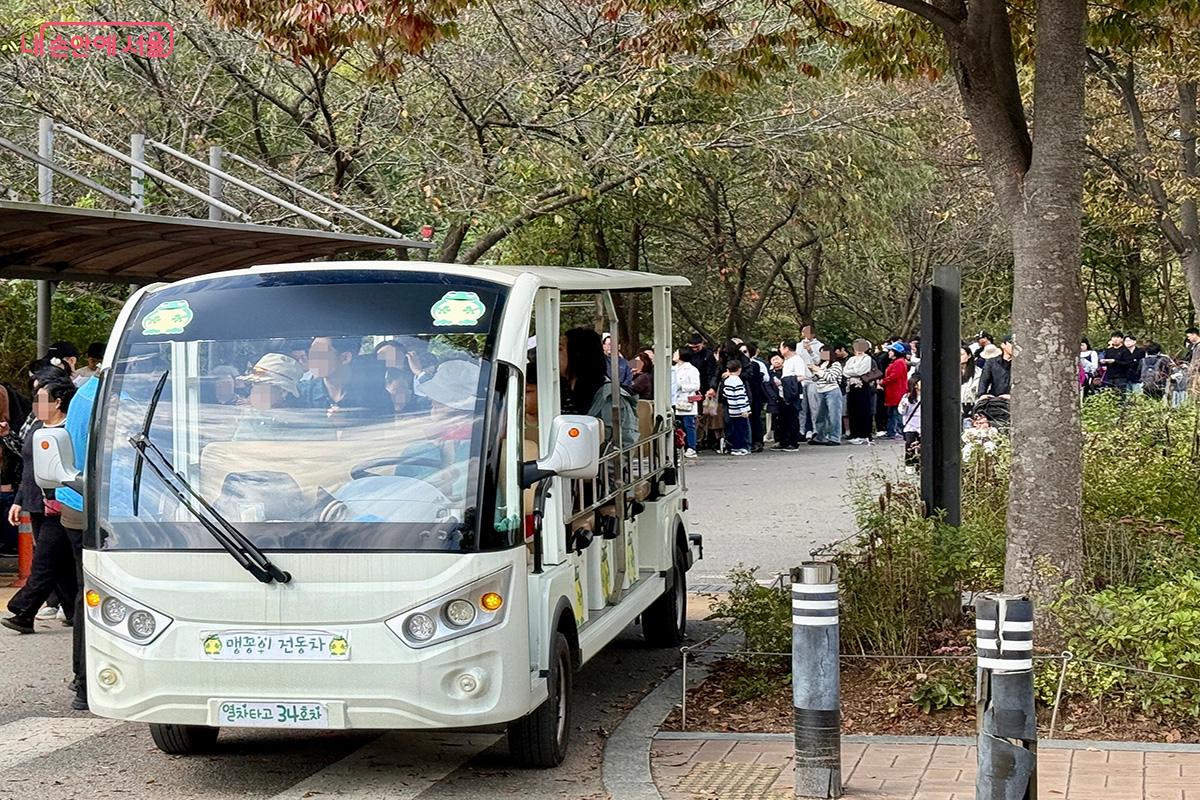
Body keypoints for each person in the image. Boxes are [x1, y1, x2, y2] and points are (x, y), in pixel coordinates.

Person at [3, 377, 77, 635]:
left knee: (44, 561)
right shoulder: (35, 426)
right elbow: (28, 468)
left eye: (42, 400)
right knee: (60, 562)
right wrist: (19, 501)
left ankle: (24, 610)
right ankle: (74, 611)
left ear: (58, 403)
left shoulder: (70, 429)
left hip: (60, 505)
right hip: (35, 501)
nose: (37, 405)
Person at [55, 370, 98, 711]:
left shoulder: (85, 393)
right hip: (100, 509)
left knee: (88, 595)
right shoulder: (120, 395)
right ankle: (87, 680)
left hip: (74, 503)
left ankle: (82, 680)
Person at [301, 336, 392, 429]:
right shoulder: (302, 394)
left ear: (345, 358)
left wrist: (348, 426)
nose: (313, 360)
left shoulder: (376, 396)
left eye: (321, 354)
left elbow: (385, 435)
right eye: (311, 353)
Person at [233, 354, 308, 441]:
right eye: (253, 385)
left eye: (262, 387)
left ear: (284, 391)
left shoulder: (297, 423)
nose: (254, 392)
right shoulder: (251, 418)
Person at [810, 345, 844, 445]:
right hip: (820, 391)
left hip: (832, 391)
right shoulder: (821, 364)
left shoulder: (836, 364)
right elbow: (815, 379)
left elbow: (831, 378)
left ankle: (835, 438)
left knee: (834, 415)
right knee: (820, 416)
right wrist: (813, 371)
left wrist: (819, 371)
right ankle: (820, 437)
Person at [843, 339, 875, 445]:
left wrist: (852, 371)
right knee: (852, 409)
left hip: (862, 385)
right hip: (851, 386)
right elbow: (845, 371)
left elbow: (861, 371)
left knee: (863, 409)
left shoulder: (867, 358)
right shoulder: (851, 359)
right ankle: (854, 433)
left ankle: (864, 434)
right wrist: (853, 371)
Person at [776, 340, 804, 451]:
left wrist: (784, 382)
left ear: (787, 348)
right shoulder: (787, 361)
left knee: (792, 418)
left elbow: (801, 376)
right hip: (785, 393)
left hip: (793, 392)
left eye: (781, 347)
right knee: (783, 418)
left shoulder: (797, 360)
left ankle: (793, 442)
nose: (780, 350)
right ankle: (784, 441)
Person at [672, 350, 700, 458]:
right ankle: (679, 447)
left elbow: (696, 385)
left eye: (676, 353)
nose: (674, 354)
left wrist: (681, 386)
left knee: (689, 425)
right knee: (678, 425)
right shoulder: (674, 368)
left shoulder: (692, 369)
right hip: (675, 400)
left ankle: (691, 447)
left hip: (686, 400)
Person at [721, 360, 751, 456]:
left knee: (734, 429)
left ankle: (734, 447)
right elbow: (740, 397)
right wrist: (744, 410)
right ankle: (738, 448)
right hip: (739, 410)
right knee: (741, 430)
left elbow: (726, 394)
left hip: (731, 408)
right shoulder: (737, 381)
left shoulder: (727, 380)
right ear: (740, 370)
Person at [879, 343, 909, 440]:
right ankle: (891, 430)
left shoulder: (899, 362)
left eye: (891, 351)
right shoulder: (896, 362)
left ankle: (899, 431)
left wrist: (883, 382)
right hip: (892, 391)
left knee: (897, 412)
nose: (889, 353)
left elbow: (894, 376)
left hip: (897, 391)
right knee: (892, 412)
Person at [899, 376, 921, 474]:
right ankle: (909, 463)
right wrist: (904, 407)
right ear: (915, 385)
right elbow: (901, 411)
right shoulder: (907, 397)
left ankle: (920, 464)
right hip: (910, 424)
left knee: (922, 446)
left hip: (922, 424)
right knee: (909, 444)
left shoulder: (927, 396)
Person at [960, 345, 979, 417]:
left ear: (969, 355)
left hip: (972, 407)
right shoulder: (949, 372)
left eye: (961, 354)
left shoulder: (978, 373)